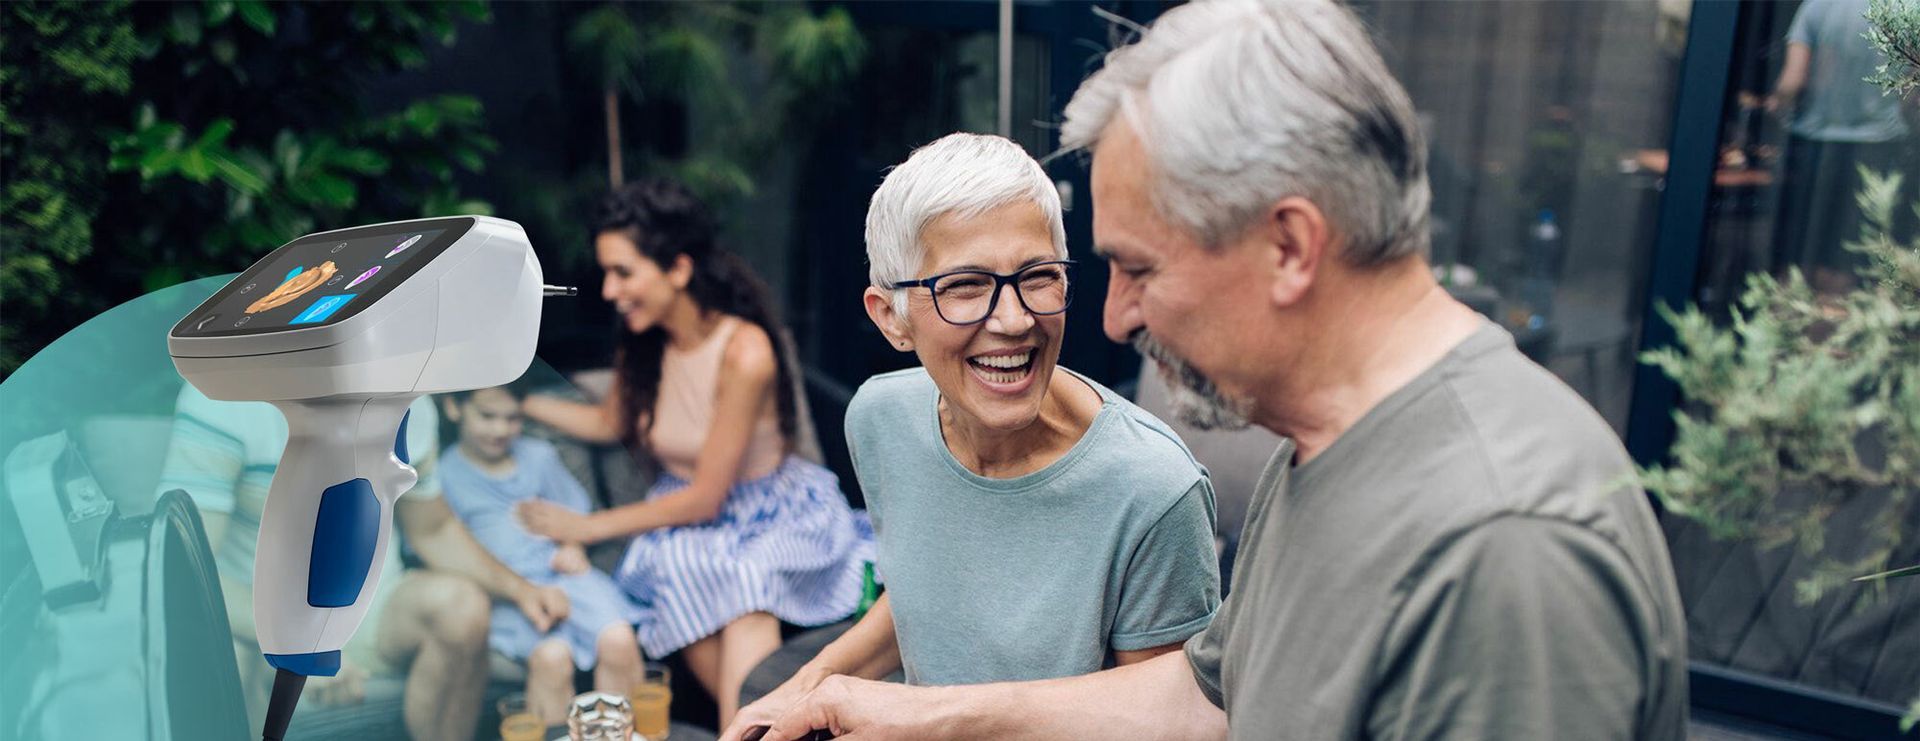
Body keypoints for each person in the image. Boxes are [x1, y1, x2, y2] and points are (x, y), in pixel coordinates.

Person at [755, 1, 1689, 739]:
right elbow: (1205, 702)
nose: (1113, 314)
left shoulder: (1505, 546)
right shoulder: (1321, 449)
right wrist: (893, 707)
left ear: (1288, 245)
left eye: (1141, 266)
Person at [723, 134, 1220, 739]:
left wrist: (932, 720)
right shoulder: (880, 418)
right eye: (964, 286)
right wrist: (810, 685)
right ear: (891, 318)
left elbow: (1173, 723)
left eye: (1037, 276)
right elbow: (926, 592)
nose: (1014, 320)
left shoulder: (1155, 489)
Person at [518, 178, 873, 727]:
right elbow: (611, 421)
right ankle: (753, 729)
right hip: (686, 518)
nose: (609, 291)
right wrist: (522, 405)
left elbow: (710, 496)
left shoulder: (746, 351)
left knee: (746, 590)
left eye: (623, 272)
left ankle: (750, 729)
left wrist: (587, 527)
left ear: (678, 270)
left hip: (768, 512)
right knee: (685, 571)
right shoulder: (645, 341)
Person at [155, 385, 572, 741]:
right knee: (225, 658)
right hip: (256, 616)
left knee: (462, 608)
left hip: (371, 607)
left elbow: (432, 529)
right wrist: (301, 645)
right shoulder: (223, 395)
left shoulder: (409, 398)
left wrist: (521, 589)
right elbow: (187, 568)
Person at [438, 383, 645, 723]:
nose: (500, 429)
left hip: (566, 579)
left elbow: (574, 516)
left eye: (512, 418)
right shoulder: (445, 475)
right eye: (487, 416)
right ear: (454, 408)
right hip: (509, 593)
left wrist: (572, 547)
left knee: (619, 640)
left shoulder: (539, 456)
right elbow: (447, 550)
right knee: (552, 657)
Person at [1767, 0, 1915, 293]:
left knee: (1797, 263)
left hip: (1814, 147)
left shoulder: (1816, 6)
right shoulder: (1907, 8)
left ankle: (1787, 333)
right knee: (1853, 265)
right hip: (1880, 148)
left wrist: (1773, 107)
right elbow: (1911, 94)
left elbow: (1792, 82)